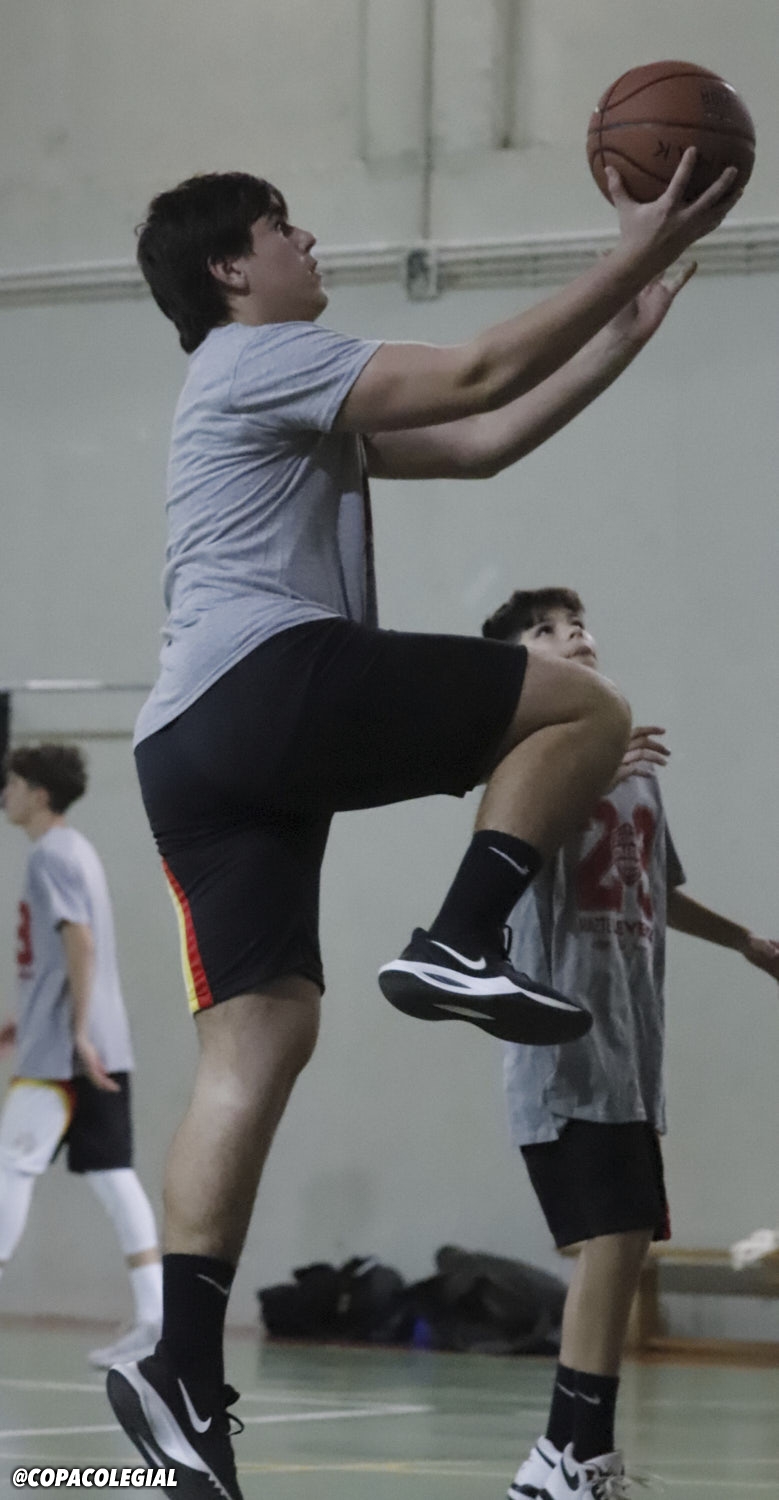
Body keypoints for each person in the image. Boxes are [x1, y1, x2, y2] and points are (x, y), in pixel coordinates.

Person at [106, 150, 740, 1498]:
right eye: (282, 228)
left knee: (255, 1047)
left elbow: (477, 438)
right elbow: (471, 373)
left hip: (188, 747)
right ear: (231, 269)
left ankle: (180, 1369)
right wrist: (628, 252)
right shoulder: (259, 355)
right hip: (263, 680)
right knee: (582, 709)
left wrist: (617, 338)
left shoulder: (271, 394)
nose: (308, 242)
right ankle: (456, 938)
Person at [481, 589, 779, 1500]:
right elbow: (502, 856)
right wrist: (587, 774)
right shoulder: (529, 755)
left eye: (574, 622)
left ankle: (573, 1457)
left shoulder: (636, 767)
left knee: (624, 1244)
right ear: (518, 667)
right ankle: (565, 1456)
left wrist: (743, 940)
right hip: (562, 1049)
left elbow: (657, 885)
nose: (569, 633)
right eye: (543, 630)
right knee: (611, 1244)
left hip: (629, 1050)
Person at [0, 743, 163, 1369]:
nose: (6, 793)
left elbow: (82, 943)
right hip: (88, 1040)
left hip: (63, 1055)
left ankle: (156, 1320)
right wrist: (31, 1015)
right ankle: (156, 1319)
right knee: (113, 1176)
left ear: (39, 794)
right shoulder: (78, 851)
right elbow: (63, 955)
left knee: (13, 1167)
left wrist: (76, 1032)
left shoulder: (52, 855)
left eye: (14, 783)